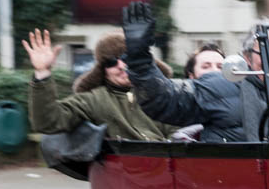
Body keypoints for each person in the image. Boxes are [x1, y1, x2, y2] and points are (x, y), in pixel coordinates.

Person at [123, 2, 262, 142]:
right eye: (206, 67)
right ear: (247, 57)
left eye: (220, 66)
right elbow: (164, 98)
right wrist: (140, 59)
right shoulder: (216, 87)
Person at [24, 28, 174, 140]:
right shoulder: (93, 99)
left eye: (127, 57)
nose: (122, 66)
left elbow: (183, 131)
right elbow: (48, 122)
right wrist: (43, 73)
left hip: (165, 172)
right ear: (103, 69)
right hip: (120, 176)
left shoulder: (162, 94)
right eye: (112, 62)